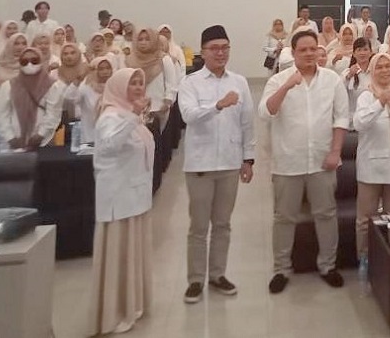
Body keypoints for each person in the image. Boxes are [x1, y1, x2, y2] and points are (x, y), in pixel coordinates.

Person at [260, 30, 348, 292]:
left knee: (326, 214)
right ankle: (281, 269)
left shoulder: (332, 80)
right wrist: (287, 86)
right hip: (287, 162)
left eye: (313, 49)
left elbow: (341, 118)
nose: (309, 54)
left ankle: (328, 266)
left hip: (322, 160)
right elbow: (266, 112)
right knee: (284, 218)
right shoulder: (278, 80)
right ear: (293, 52)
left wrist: (335, 152)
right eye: (303, 50)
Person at [177, 25, 256, 303]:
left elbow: (247, 123)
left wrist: (248, 159)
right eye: (214, 48)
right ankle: (195, 280)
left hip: (230, 164)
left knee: (223, 224)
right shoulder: (191, 83)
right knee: (199, 226)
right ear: (203, 52)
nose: (220, 53)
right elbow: (188, 116)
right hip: (200, 165)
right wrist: (218, 106)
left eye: (225, 47)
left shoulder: (240, 82)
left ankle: (217, 274)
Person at [88, 68, 154, 335]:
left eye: (140, 83)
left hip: (134, 196)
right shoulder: (111, 116)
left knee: (131, 255)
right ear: (118, 87)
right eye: (132, 83)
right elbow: (110, 146)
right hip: (118, 200)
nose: (138, 87)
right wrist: (133, 116)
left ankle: (132, 304)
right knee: (118, 256)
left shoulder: (130, 115)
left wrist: (135, 115)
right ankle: (113, 311)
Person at [353, 53, 390, 258]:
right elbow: (359, 124)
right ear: (372, 71)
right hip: (371, 168)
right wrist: (380, 102)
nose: (385, 70)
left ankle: (389, 261)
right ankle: (364, 260)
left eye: (388, 66)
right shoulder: (366, 95)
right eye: (379, 67)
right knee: (365, 220)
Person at [0, 46, 65, 150]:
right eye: (24, 62)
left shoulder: (52, 86)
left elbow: (53, 114)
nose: (29, 64)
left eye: (34, 60)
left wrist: (40, 135)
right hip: (15, 144)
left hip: (44, 142)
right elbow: (1, 114)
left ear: (41, 61)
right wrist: (10, 137)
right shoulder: (8, 86)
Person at [125, 27, 178, 128]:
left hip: (159, 109)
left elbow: (171, 83)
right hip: (134, 109)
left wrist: (167, 102)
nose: (143, 43)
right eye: (140, 39)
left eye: (147, 39)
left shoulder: (164, 59)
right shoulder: (129, 60)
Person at [75, 56, 114, 144]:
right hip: (90, 138)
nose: (105, 71)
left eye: (108, 68)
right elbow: (70, 98)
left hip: (111, 138)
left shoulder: (116, 89)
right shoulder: (86, 88)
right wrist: (78, 80)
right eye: (101, 69)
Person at [342, 37, 373, 127]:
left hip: (372, 121)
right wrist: (349, 76)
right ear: (354, 54)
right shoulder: (347, 73)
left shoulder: (376, 72)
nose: (362, 53)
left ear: (371, 52)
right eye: (359, 50)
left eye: (365, 49)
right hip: (352, 123)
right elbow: (339, 93)